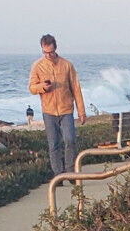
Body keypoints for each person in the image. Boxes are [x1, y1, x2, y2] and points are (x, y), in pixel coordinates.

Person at [28, 34, 86, 174]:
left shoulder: (67, 65)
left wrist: (81, 112)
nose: (48, 55)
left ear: (56, 48)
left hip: (66, 110)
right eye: (45, 52)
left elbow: (76, 89)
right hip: (48, 111)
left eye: (51, 52)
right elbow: (31, 88)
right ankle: (58, 175)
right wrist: (42, 87)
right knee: (53, 145)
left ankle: (70, 171)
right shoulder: (37, 66)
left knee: (70, 140)